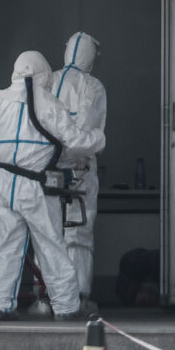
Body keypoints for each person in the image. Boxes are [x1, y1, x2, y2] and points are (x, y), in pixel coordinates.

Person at [0, 51, 106, 321]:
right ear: (43, 74)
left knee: (5, 247)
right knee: (51, 246)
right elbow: (76, 141)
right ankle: (66, 307)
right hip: (35, 185)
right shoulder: (50, 106)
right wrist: (98, 138)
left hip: (2, 183)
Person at [52, 31, 107, 312]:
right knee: (78, 231)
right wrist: (75, 156)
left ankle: (47, 294)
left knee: (49, 230)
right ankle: (78, 296)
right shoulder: (92, 86)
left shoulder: (48, 80)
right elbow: (86, 128)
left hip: (47, 169)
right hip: (80, 169)